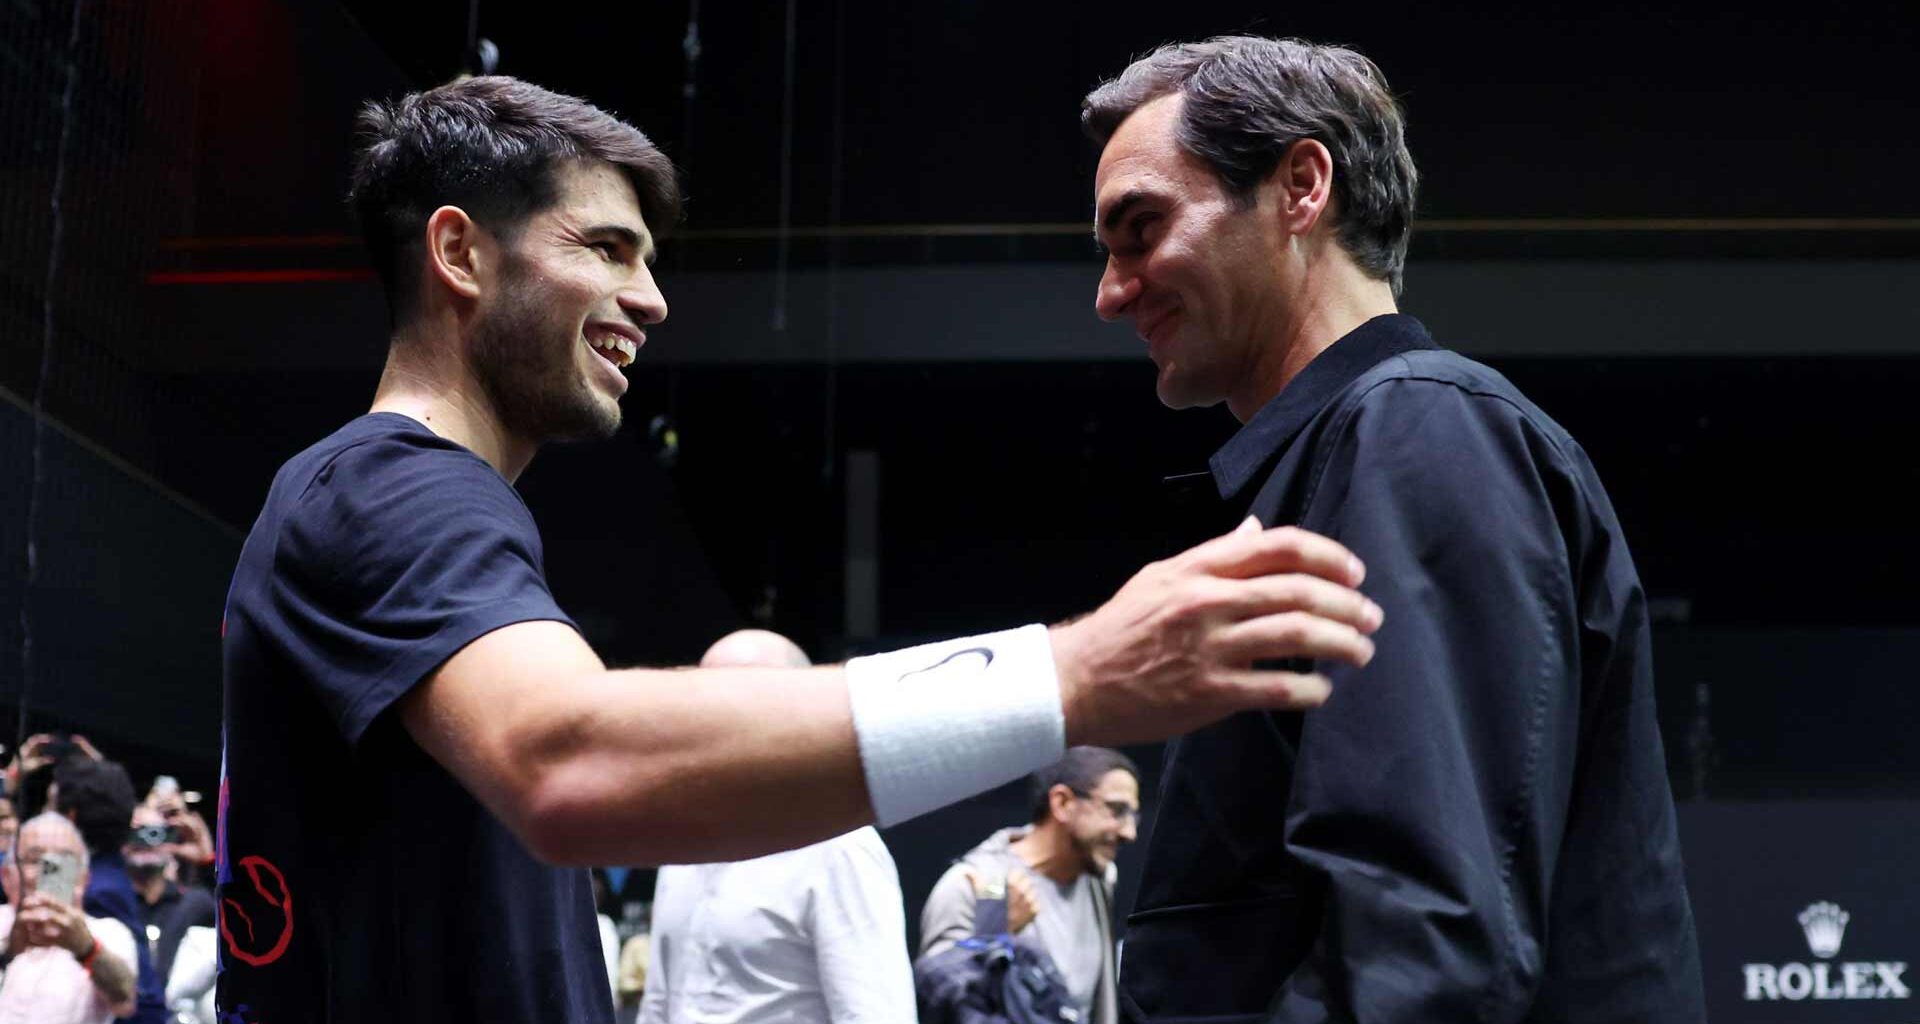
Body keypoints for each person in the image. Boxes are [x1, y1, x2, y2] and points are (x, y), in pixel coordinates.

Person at [215, 74, 1384, 1024]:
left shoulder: (411, 503)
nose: (655, 298)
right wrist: (1074, 673)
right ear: (461, 255)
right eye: (610, 249)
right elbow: (567, 766)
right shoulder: (389, 486)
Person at [1081, 36, 1705, 1023]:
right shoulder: (1366, 448)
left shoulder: (1415, 428)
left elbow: (1420, 953)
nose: (1113, 292)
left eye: (1142, 229)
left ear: (1300, 186)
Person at [641, 629, 914, 1022]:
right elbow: (659, 1006)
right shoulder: (686, 844)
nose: (713, 717)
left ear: (796, 712)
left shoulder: (839, 849)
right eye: (701, 697)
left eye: (742, 697)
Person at [919, 747, 1138, 1024]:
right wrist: (994, 933)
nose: (1129, 832)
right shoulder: (975, 884)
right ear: (1062, 803)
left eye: (1133, 815)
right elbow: (938, 1002)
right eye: (1116, 810)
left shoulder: (1099, 878)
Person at [53, 758, 167, 1024]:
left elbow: (145, 1002)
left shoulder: (98, 890)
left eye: (51, 808)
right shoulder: (98, 872)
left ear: (70, 816)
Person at [0, 813, 139, 1023]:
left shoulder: (108, 932)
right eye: (35, 859)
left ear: (84, 879)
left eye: (64, 861)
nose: (49, 871)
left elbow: (125, 1001)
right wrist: (8, 952)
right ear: (7, 876)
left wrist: (87, 949)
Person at [126, 804, 215, 988]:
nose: (146, 841)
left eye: (155, 832)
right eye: (137, 831)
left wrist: (206, 861)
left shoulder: (192, 903)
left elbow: (234, 921)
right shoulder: (108, 901)